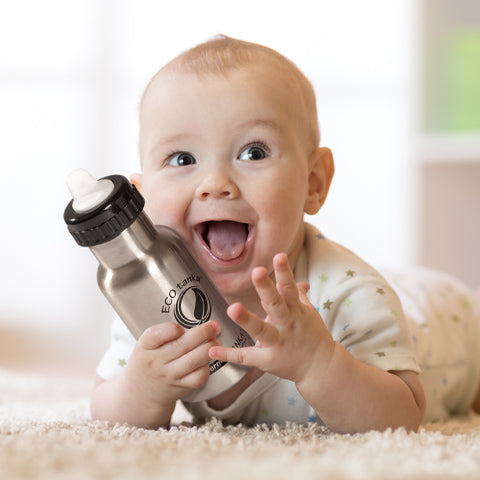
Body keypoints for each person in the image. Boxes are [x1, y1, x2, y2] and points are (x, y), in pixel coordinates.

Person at [90, 35, 480, 433]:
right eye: (182, 159)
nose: (215, 183)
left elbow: (401, 419)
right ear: (141, 201)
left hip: (449, 323)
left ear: (313, 182)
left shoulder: (350, 295)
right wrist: (143, 388)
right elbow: (108, 409)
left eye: (253, 153)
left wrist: (318, 363)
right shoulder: (153, 297)